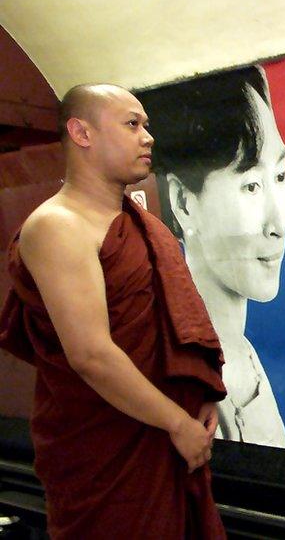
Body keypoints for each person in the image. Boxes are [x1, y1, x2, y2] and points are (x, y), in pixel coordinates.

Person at [0, 84, 227, 538]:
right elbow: (91, 354)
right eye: (132, 124)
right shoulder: (57, 226)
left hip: (164, 439)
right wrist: (176, 421)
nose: (148, 137)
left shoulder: (144, 227)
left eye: (146, 126)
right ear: (81, 132)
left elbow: (174, 325)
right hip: (105, 449)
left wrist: (197, 394)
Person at [137, 66, 285, 448]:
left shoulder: (241, 353)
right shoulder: (183, 372)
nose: (278, 224)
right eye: (251, 185)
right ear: (184, 204)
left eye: (281, 176)